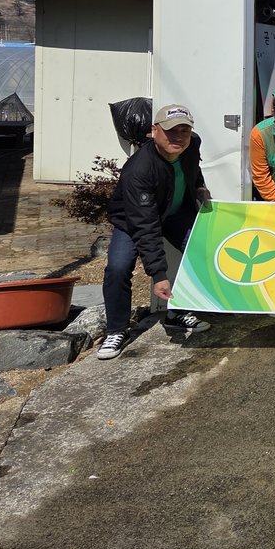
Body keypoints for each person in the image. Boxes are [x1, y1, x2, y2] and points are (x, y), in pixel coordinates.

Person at [98, 103, 212, 360]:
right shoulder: (139, 170)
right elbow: (146, 226)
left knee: (200, 250)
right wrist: (158, 274)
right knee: (117, 268)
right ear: (154, 131)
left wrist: (199, 186)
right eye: (171, 131)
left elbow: (193, 168)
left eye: (184, 130)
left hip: (175, 212)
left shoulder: (192, 143)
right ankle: (116, 330)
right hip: (134, 220)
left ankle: (177, 311)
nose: (178, 137)